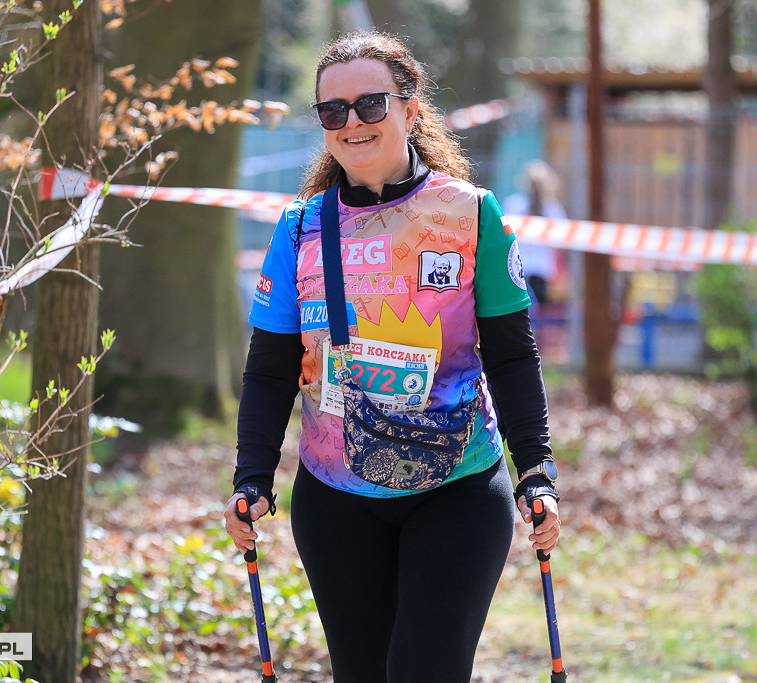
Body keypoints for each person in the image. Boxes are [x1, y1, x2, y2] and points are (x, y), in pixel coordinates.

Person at [224, 30, 560, 683]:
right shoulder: (299, 229)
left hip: (456, 486)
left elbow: (513, 358)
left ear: (410, 109)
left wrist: (536, 468)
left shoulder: (471, 216)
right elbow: (269, 368)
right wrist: (251, 475)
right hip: (335, 496)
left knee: (423, 668)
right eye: (333, 110)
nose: (352, 122)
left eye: (371, 104)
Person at [502, 160, 567, 305]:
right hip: (543, 269)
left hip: (517, 268)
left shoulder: (514, 205)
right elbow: (559, 245)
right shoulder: (553, 209)